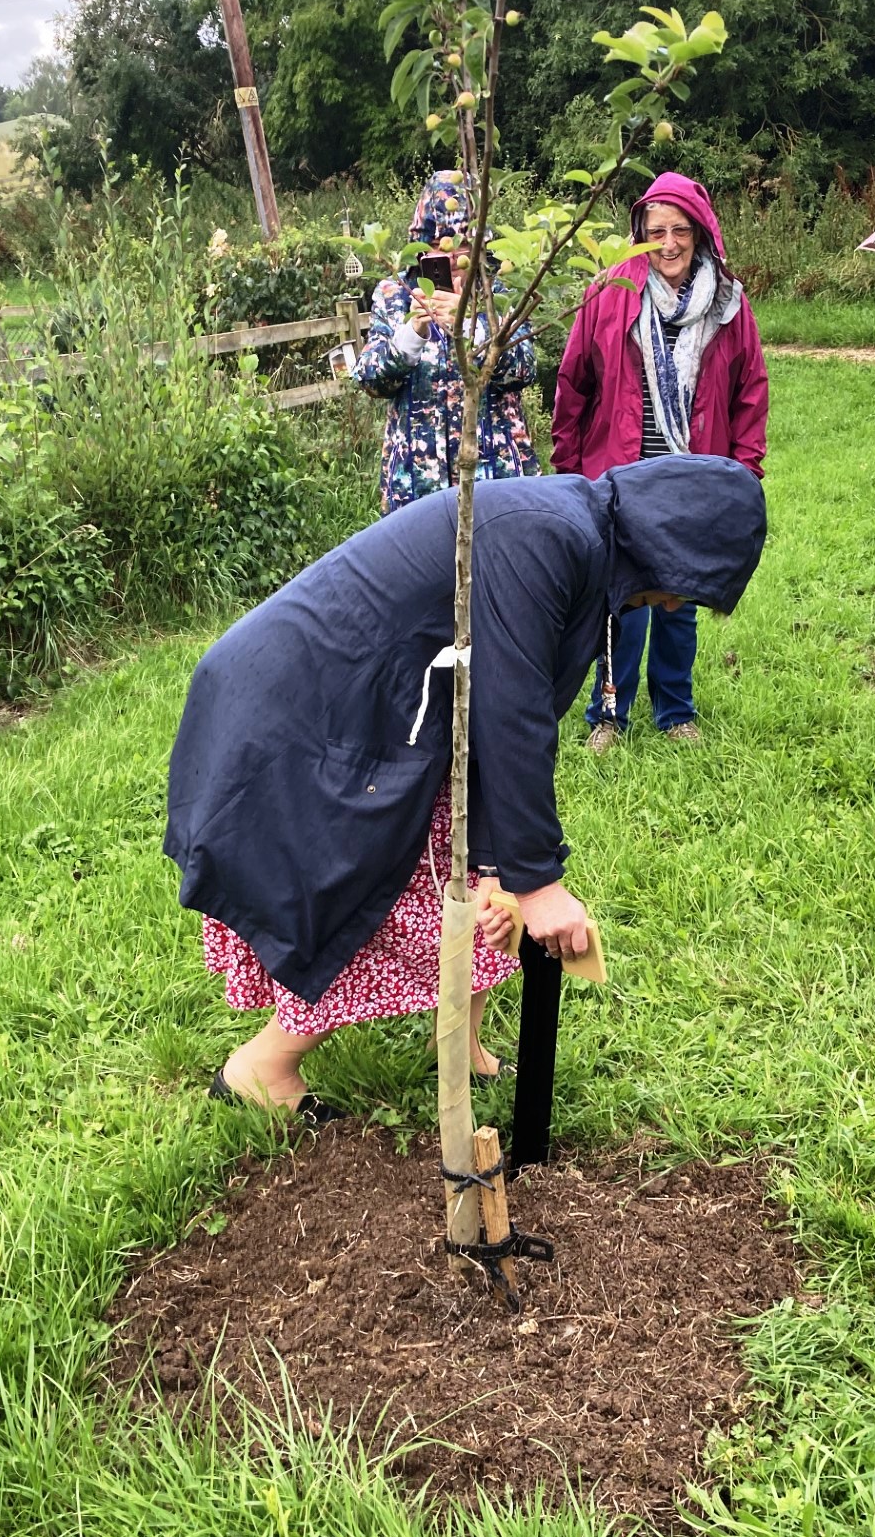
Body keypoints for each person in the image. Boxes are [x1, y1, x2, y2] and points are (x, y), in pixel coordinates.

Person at [165, 455, 767, 1115]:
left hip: (389, 715)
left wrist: (499, 865)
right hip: (303, 710)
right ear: (670, 546)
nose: (680, 603)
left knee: (478, 892)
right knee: (375, 893)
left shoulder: (580, 538)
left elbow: (498, 710)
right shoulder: (550, 537)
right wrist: (538, 883)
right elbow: (510, 714)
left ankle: (457, 1041)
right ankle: (262, 1068)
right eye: (690, 586)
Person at [551, 171, 768, 752]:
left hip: (691, 475)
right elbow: (574, 383)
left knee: (680, 596)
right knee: (618, 599)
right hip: (620, 476)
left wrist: (744, 473)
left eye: (679, 231)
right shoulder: (610, 292)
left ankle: (675, 711)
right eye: (655, 232)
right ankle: (609, 715)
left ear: (699, 233)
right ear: (639, 235)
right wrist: (570, 470)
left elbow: (750, 388)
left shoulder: (728, 303)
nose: (668, 243)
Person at [355, 171, 538, 514]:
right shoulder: (395, 294)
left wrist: (471, 325)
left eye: (463, 245)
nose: (452, 257)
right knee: (420, 565)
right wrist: (413, 333)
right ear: (421, 242)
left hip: (495, 473)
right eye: (439, 245)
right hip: (417, 478)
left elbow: (524, 368)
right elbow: (370, 379)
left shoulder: (498, 292)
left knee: (499, 563)